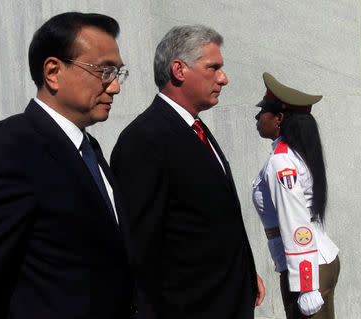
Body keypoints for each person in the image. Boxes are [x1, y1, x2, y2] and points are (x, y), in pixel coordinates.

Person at [0, 12, 135, 319]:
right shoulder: (9, 147)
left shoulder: (89, 149)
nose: (115, 88)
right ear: (53, 71)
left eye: (118, 74)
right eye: (104, 72)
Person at [111, 25, 264, 319]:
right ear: (179, 70)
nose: (224, 78)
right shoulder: (145, 139)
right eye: (213, 67)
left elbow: (211, 219)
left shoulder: (195, 129)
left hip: (227, 300)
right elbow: (138, 245)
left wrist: (246, 270)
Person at [252, 72, 340, 318]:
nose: (257, 117)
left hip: (308, 269)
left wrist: (306, 285)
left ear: (278, 118)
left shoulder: (282, 162)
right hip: (317, 260)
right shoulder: (292, 153)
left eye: (262, 112)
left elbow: (295, 221)